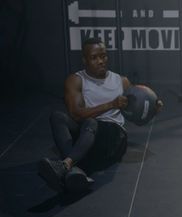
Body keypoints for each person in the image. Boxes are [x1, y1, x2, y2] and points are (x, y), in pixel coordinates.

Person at [38, 37, 162, 193]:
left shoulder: (121, 81)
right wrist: (111, 104)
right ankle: (73, 171)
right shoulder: (76, 80)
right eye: (94, 58)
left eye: (103, 56)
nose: (101, 61)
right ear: (84, 60)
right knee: (58, 117)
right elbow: (76, 115)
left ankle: (66, 165)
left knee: (91, 123)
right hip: (88, 132)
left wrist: (152, 111)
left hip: (113, 137)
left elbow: (137, 119)